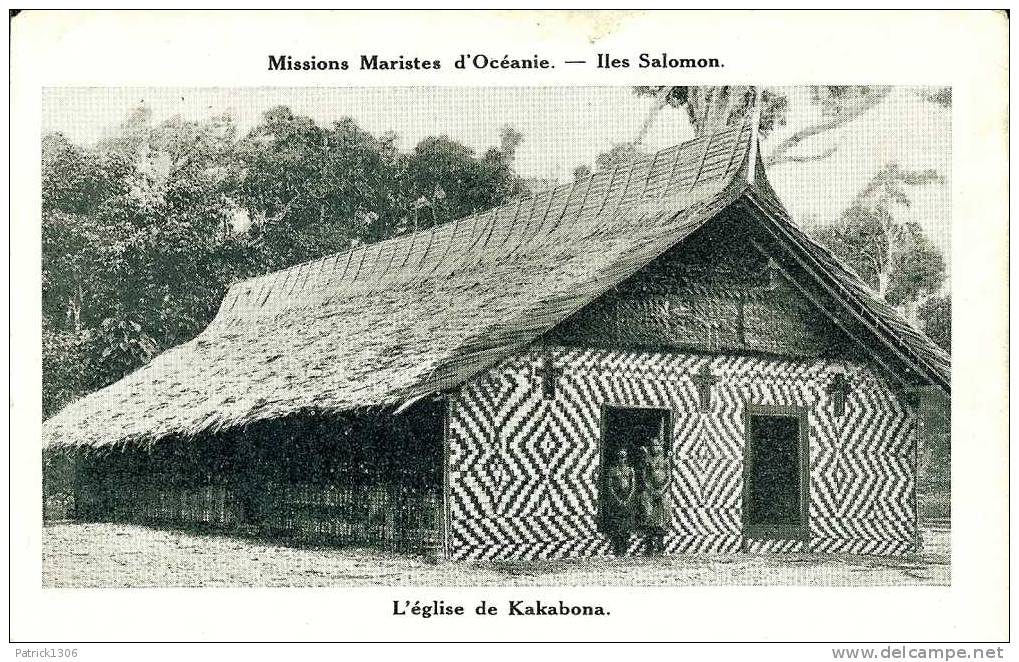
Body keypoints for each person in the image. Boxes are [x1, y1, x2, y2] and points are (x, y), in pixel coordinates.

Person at [639, 439, 669, 555]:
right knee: (649, 517)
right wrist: (651, 489)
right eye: (652, 445)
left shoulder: (665, 460)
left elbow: (669, 477)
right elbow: (644, 476)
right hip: (650, 492)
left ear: (660, 447)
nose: (654, 448)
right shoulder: (648, 460)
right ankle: (649, 547)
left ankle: (660, 547)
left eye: (656, 445)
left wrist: (662, 490)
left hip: (662, 492)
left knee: (661, 519)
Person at [603, 447, 635, 557]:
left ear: (626, 458)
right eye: (620, 457)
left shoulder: (630, 470)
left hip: (627, 498)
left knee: (625, 524)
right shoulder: (613, 470)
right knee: (616, 524)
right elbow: (610, 486)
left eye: (624, 457)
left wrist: (627, 499)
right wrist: (618, 500)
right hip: (616, 498)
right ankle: (617, 548)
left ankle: (625, 547)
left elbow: (633, 486)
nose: (622, 459)